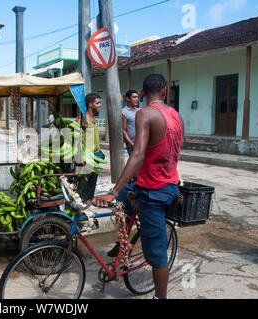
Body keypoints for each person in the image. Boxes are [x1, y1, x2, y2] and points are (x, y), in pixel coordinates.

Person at [92, 74, 185, 299]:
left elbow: (139, 153)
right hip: (168, 185)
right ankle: (123, 246)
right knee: (121, 206)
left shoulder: (145, 113)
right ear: (164, 91)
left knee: (157, 254)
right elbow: (172, 149)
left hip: (154, 192)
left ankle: (159, 297)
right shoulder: (177, 116)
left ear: (142, 94)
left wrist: (112, 190)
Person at [76, 93, 105, 203]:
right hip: (86, 157)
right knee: (84, 184)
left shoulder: (92, 118)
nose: (99, 105)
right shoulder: (82, 120)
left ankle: (88, 204)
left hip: (96, 155)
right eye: (97, 103)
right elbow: (72, 133)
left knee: (92, 183)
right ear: (90, 104)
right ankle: (81, 205)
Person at [122, 90, 140, 156]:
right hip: (132, 143)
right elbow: (123, 130)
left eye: (137, 97)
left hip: (142, 141)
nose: (137, 99)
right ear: (127, 98)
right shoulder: (124, 112)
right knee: (134, 163)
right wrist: (131, 144)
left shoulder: (140, 111)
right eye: (134, 97)